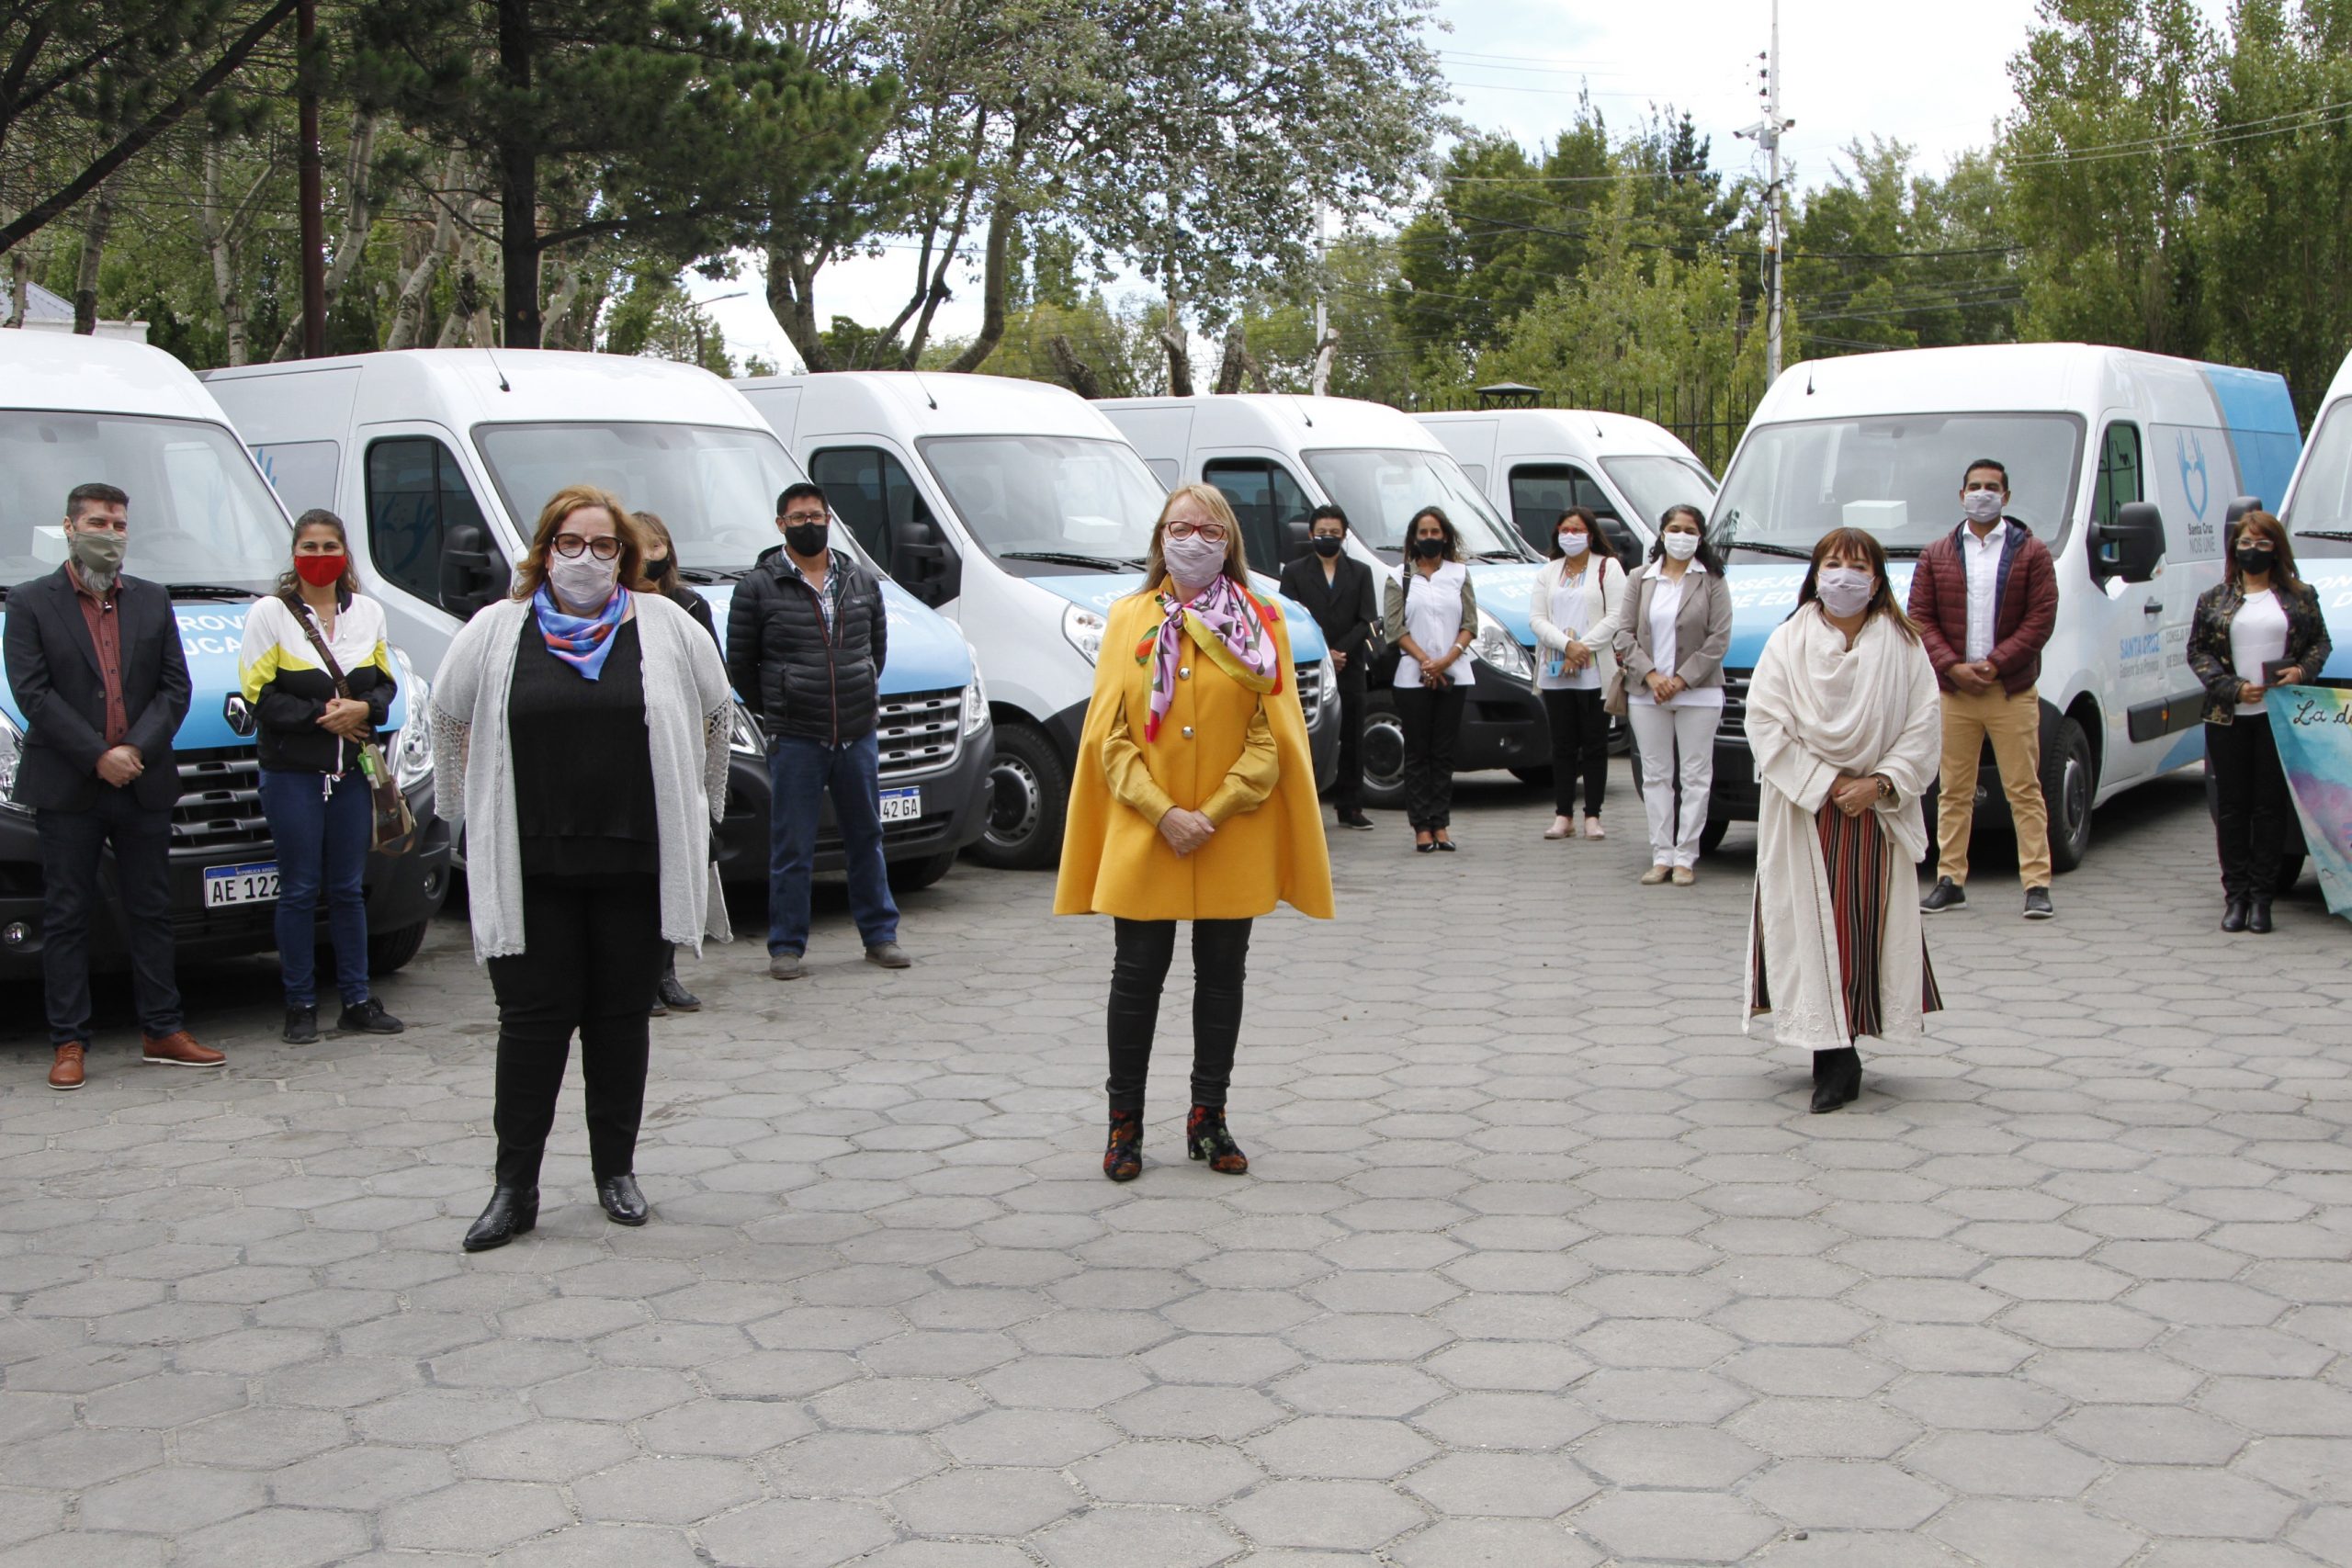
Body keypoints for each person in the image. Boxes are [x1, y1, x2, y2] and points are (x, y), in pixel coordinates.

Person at [431, 485, 733, 1250]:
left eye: (604, 546)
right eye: (571, 543)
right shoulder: (497, 629)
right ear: (544, 550)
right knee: (530, 1027)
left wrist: (702, 800)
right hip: (530, 871)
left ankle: (615, 1172)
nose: (587, 559)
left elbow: (715, 708)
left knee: (619, 1023)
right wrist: (458, 803)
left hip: (633, 862)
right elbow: (447, 710)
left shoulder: (664, 624)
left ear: (626, 557)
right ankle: (514, 1188)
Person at [1055, 484, 1333, 1181]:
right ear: (1159, 538)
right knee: (1137, 973)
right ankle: (1124, 1126)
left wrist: (1215, 808)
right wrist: (1163, 811)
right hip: (1148, 829)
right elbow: (1109, 735)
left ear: (1229, 541)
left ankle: (1209, 1116)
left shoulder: (1262, 617)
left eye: (1210, 529)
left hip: (1229, 829)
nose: (1194, 539)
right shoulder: (1127, 617)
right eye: (1180, 527)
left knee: (1221, 976)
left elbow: (1275, 735)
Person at [4, 481, 218, 1090]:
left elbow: (175, 687)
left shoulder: (151, 600)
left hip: (142, 781)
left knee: (151, 908)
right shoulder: (30, 602)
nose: (112, 534)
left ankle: (162, 1027)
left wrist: (134, 750)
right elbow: (33, 693)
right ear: (70, 529)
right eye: (99, 522)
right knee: (67, 913)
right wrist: (98, 755)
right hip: (69, 784)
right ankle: (69, 1040)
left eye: (121, 524)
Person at [1745, 527, 1944, 1113]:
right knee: (1808, 926)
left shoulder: (1904, 647)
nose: (1844, 577)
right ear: (1815, 574)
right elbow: (1765, 722)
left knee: (1860, 927)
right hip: (1805, 811)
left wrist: (1879, 783)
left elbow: (1924, 723)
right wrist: (1828, 783)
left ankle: (1844, 1043)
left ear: (1877, 579)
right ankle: (1828, 1053)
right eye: (1833, 564)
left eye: (1857, 566)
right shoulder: (1788, 640)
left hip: (1874, 815)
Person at [726, 482, 910, 980]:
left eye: (816, 514)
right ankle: (785, 947)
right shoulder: (757, 587)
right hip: (797, 736)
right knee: (792, 845)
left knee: (866, 837)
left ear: (829, 518)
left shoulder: (859, 580)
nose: (809, 523)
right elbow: (741, 666)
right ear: (781, 525)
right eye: (798, 517)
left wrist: (857, 694)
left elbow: (876, 651)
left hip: (855, 731)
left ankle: (880, 937)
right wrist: (781, 707)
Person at [237, 509, 407, 1044]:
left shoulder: (369, 614)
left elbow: (384, 685)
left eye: (328, 545)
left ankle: (357, 999)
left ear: (344, 554)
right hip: (294, 774)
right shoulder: (270, 614)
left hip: (352, 774)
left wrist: (364, 711)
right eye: (307, 547)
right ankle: (301, 1002)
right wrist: (323, 717)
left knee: (347, 889)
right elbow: (257, 693)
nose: (318, 556)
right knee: (299, 888)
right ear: (294, 555)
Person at [1907, 458, 2060, 920]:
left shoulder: (2032, 553)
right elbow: (1919, 616)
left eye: (1991, 487)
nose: (1982, 493)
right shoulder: (1937, 553)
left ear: (2006, 497)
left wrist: (1996, 664)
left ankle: (2036, 884)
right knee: (1953, 790)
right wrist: (1952, 667)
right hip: (1955, 692)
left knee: (2023, 789)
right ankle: (1950, 879)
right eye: (1974, 486)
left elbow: (2041, 617)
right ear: (1961, 495)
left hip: (2009, 690)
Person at [2186, 511, 2331, 934]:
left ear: (2277, 549)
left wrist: (2302, 672)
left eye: (2262, 543)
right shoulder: (2214, 598)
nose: (2253, 550)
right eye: (2245, 542)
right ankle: (2236, 897)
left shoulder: (2299, 596)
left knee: (2269, 809)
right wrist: (2230, 687)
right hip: (2228, 717)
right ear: (2234, 548)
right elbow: (2197, 651)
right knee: (2232, 809)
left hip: (2278, 717)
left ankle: (2263, 901)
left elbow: (2321, 642)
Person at [1615, 503, 1734, 885]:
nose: (1681, 536)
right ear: (1662, 532)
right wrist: (1650, 675)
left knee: (1696, 775)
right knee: (1656, 775)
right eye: (1675, 528)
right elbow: (1623, 633)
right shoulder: (1640, 578)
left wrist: (1680, 680)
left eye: (1690, 530)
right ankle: (1661, 853)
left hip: (1698, 693)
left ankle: (1686, 856)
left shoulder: (1712, 579)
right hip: (1648, 693)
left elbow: (1719, 640)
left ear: (1699, 537)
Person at [636, 511, 716, 1013]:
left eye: (656, 544)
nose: (648, 554)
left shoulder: (688, 605)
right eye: (637, 545)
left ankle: (665, 972)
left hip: (679, 749)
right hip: (632, 754)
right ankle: (633, 978)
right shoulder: (612, 608)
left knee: (675, 863)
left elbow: (713, 684)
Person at [1527, 506, 1628, 841]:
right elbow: (1537, 618)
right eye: (1565, 530)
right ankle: (1563, 813)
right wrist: (1566, 646)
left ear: (1591, 533)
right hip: (1557, 668)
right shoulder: (1549, 571)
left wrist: (1583, 647)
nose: (1571, 536)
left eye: (1577, 530)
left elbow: (1616, 616)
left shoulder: (1608, 568)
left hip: (1595, 670)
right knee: (1563, 744)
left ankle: (1593, 815)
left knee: (1595, 744)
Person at [1277, 504, 1378, 830]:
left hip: (1349, 666)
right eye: (1322, 533)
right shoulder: (1294, 572)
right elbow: (1288, 619)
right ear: (1310, 534)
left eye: (1334, 533)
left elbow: (1366, 620)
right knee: (1306, 738)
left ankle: (1351, 807)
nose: (1328, 538)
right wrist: (1323, 652)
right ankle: (1303, 808)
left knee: (1352, 738)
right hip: (1310, 666)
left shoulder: (1360, 572)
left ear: (1344, 536)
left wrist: (1340, 651)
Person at [1383, 506, 1478, 852]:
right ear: (1413, 538)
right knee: (1418, 753)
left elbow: (1470, 624)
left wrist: (1447, 660)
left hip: (1454, 673)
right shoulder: (1399, 577)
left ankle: (1441, 823)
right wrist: (1426, 662)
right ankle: (1421, 825)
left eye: (1434, 532)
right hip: (1413, 676)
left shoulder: (1460, 574)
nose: (1429, 539)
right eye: (1422, 533)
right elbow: (1394, 628)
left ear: (1445, 536)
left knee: (1443, 752)